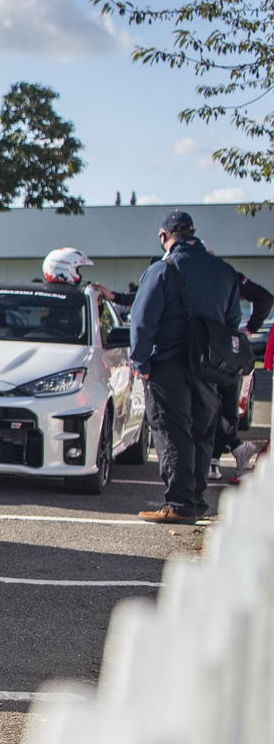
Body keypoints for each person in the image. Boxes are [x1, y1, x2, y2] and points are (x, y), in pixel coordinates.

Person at [128, 211, 242, 523]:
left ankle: (178, 505)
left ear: (164, 236)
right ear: (192, 233)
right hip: (209, 367)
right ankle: (195, 501)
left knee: (171, 432)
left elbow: (142, 321)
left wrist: (141, 363)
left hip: (168, 364)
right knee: (202, 434)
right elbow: (232, 322)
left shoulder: (162, 269)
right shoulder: (224, 271)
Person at [212, 271, 271, 478]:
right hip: (224, 351)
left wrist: (249, 330)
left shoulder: (226, 276)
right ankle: (231, 449)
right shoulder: (226, 275)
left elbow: (265, 298)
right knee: (218, 406)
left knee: (220, 405)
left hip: (220, 351)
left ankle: (215, 457)